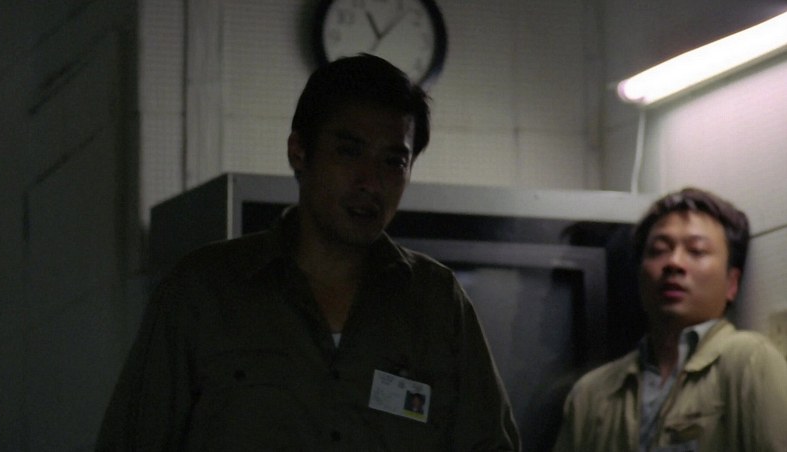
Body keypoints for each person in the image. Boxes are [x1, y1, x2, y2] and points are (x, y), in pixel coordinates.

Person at [96, 54, 520, 451]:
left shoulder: (436, 303)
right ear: (299, 152)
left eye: (393, 161)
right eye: (349, 151)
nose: (371, 182)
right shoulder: (204, 292)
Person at [553, 187, 787, 451]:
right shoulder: (591, 392)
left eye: (697, 250)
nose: (673, 263)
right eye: (658, 250)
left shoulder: (749, 361)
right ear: (639, 275)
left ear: (732, 283)